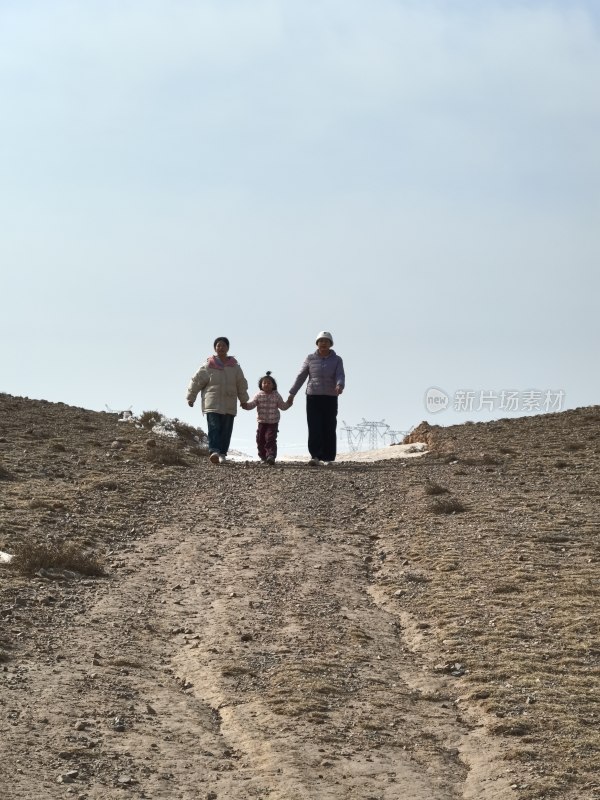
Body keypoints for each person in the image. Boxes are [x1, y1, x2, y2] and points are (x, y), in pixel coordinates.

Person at [186, 337, 249, 464]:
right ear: (215, 348)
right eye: (218, 345)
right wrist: (191, 397)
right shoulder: (208, 365)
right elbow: (196, 381)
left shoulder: (235, 367)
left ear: (228, 348)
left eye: (223, 345)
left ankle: (222, 454)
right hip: (212, 403)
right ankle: (214, 451)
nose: (220, 348)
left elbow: (241, 384)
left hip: (229, 403)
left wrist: (243, 400)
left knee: (226, 430)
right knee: (214, 427)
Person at [287, 331, 345, 466]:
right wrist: (292, 393)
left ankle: (329, 457)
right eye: (321, 341)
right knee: (314, 426)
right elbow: (301, 376)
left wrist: (339, 385)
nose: (323, 343)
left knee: (329, 426)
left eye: (326, 341)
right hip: (313, 395)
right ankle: (315, 456)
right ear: (317, 343)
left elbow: (340, 374)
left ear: (330, 344)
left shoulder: (337, 360)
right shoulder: (310, 358)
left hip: (330, 397)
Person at [242, 371, 291, 465]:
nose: (266, 385)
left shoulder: (276, 395)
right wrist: (245, 405)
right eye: (264, 383)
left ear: (273, 385)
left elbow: (282, 406)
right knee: (260, 439)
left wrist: (289, 403)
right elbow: (252, 405)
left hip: (273, 422)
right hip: (262, 421)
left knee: (270, 438)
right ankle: (263, 456)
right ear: (261, 385)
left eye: (269, 383)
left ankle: (271, 456)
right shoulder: (258, 395)